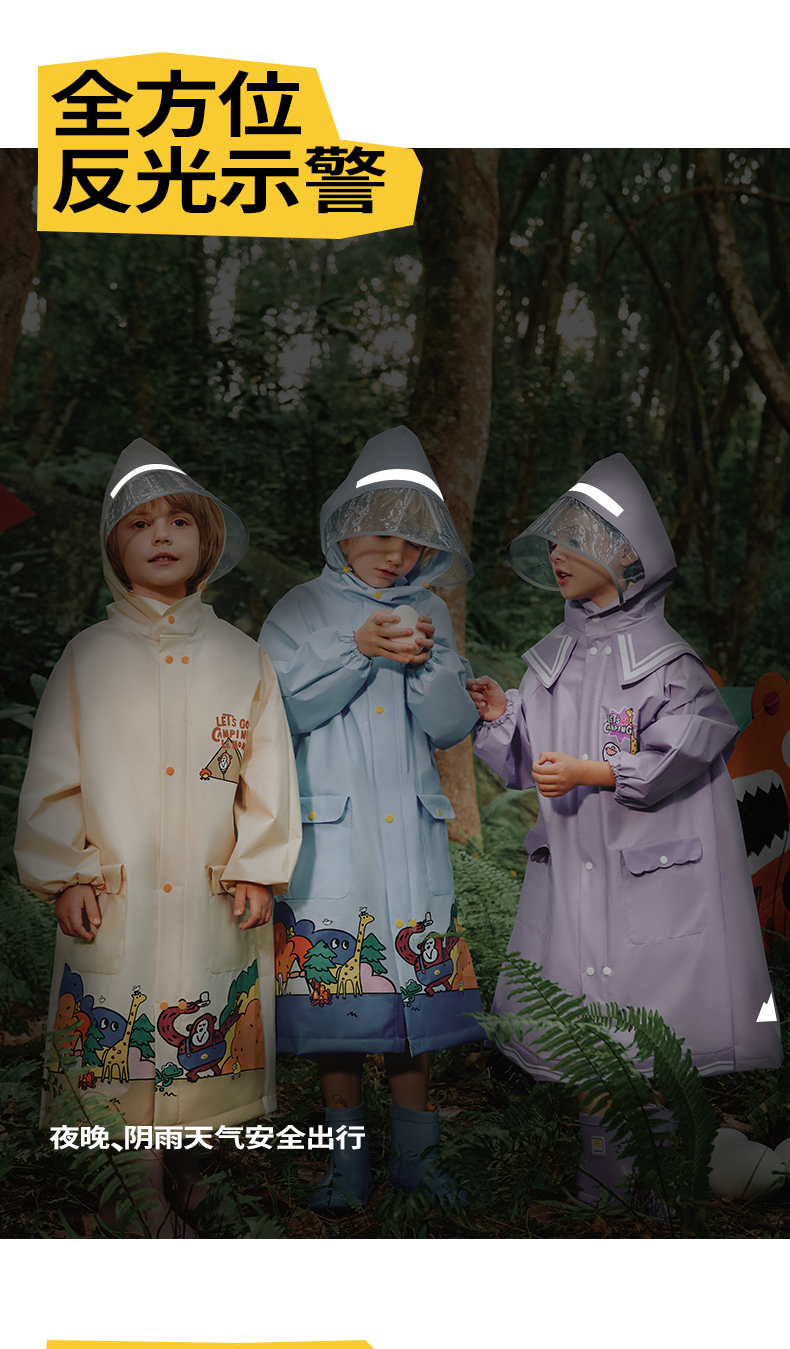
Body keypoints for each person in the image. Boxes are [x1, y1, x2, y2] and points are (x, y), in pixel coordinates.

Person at [468, 453, 783, 1204]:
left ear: (627, 551)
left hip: (647, 873)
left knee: (650, 1023)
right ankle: (606, 1177)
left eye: (576, 540)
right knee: (581, 1019)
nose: (557, 554)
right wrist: (501, 719)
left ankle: (663, 1174)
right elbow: (524, 764)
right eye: (554, 541)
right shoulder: (552, 658)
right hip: (572, 869)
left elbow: (695, 738)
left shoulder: (667, 662)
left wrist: (600, 772)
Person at [15, 438, 301, 1235]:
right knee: (120, 1028)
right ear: (116, 549)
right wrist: (68, 871)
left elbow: (268, 774)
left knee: (202, 1026)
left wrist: (257, 866)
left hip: (211, 892)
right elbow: (54, 774)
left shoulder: (242, 658)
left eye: (179, 520)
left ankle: (189, 1170)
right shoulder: (89, 657)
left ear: (207, 542)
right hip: (117, 891)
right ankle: (136, 1196)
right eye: (140, 524)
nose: (161, 534)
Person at [259, 425, 482, 1211]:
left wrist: (430, 666)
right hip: (333, 843)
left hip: (412, 841)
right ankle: (345, 1167)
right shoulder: (301, 607)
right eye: (383, 534)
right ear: (347, 526)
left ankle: (419, 1165)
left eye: (415, 541)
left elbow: (450, 727)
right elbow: (278, 710)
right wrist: (356, 648)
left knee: (413, 1004)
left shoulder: (431, 610)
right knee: (342, 1008)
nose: (398, 554)